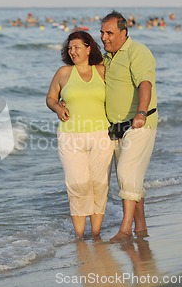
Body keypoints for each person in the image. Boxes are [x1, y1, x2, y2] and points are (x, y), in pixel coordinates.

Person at [46, 31, 114, 240]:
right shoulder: (64, 72)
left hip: (102, 135)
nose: (72, 51)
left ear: (88, 48)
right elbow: (50, 98)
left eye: (76, 47)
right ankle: (78, 236)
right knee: (77, 184)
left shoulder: (102, 71)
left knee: (99, 184)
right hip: (70, 137)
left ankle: (95, 234)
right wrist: (57, 108)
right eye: (69, 48)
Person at [99, 11, 158, 243]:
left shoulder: (137, 51)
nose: (104, 37)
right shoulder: (107, 58)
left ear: (124, 33)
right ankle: (140, 226)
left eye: (109, 33)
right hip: (115, 128)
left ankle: (125, 230)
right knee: (131, 179)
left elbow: (145, 82)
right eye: (102, 32)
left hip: (140, 124)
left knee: (126, 173)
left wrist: (141, 113)